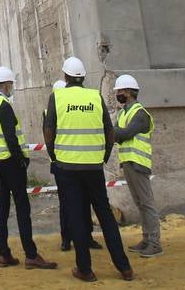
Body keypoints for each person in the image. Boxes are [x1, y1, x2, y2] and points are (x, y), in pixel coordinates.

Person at [43, 56, 134, 283]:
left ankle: (85, 269)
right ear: (82, 77)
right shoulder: (95, 97)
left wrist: (54, 155)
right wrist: (103, 156)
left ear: (65, 76)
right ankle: (124, 268)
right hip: (93, 167)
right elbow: (109, 132)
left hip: (67, 167)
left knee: (75, 215)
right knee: (105, 215)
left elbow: (48, 130)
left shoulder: (58, 97)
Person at [0, 65, 56, 270]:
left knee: (2, 207)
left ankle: (4, 254)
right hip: (11, 163)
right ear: (5, 84)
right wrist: (21, 160)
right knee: (23, 207)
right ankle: (31, 255)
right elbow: (11, 137)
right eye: (11, 84)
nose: (12, 87)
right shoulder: (4, 106)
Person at [113, 73, 162, 257]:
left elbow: (123, 133)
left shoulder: (140, 113)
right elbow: (117, 131)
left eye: (119, 91)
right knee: (140, 203)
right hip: (128, 163)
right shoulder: (124, 112)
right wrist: (116, 131)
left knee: (146, 203)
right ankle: (147, 239)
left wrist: (116, 132)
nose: (117, 94)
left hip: (138, 164)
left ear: (128, 92)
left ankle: (155, 243)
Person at [49, 79, 99, 253]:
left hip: (78, 161)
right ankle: (66, 238)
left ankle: (87, 237)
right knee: (67, 204)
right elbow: (50, 136)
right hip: (62, 164)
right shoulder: (51, 109)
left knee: (83, 202)